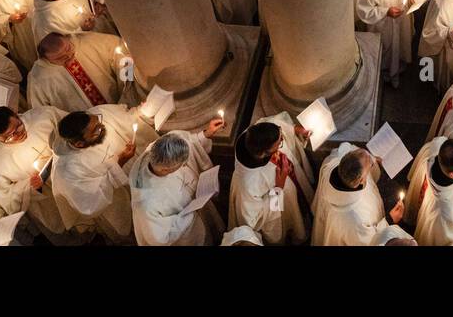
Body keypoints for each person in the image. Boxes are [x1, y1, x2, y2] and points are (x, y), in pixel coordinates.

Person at [52, 105, 157, 243]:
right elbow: (89, 203)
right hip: (120, 199)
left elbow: (126, 117)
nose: (102, 128)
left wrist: (141, 111)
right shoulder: (67, 169)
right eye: (95, 131)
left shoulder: (96, 116)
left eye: (99, 123)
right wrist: (120, 163)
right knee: (143, 231)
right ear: (79, 144)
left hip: (144, 174)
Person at [130, 118, 228, 246]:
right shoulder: (146, 204)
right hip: (187, 230)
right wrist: (188, 215)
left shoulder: (163, 144)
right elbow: (158, 238)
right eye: (181, 165)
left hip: (199, 203)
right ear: (165, 169)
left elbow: (189, 142)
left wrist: (206, 133)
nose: (185, 165)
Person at [229, 113, 315, 245]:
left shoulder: (250, 136)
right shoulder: (247, 184)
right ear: (264, 152)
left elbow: (269, 122)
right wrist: (278, 188)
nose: (282, 141)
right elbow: (255, 219)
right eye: (279, 143)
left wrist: (296, 130)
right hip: (278, 209)